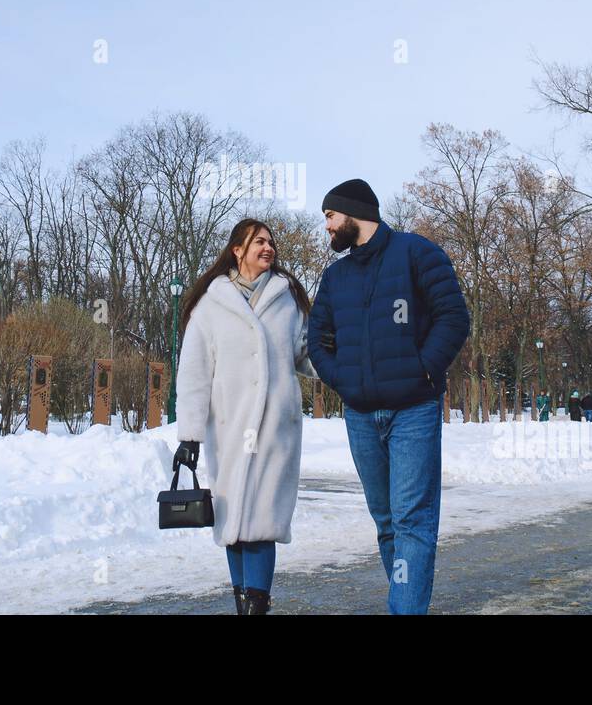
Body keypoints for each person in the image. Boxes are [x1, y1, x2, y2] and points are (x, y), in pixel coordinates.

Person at [307, 179, 472, 615]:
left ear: (353, 212)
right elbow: (317, 340)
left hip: (414, 410)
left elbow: (453, 317)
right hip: (360, 414)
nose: (326, 227)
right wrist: (341, 379)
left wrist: (422, 369)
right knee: (385, 523)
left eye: (329, 216)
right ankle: (406, 598)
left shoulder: (417, 253)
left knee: (412, 521)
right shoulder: (335, 276)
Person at [173, 219, 316, 614]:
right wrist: (189, 436)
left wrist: (347, 360)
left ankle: (258, 605)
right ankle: (244, 604)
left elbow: (307, 355)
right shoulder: (211, 304)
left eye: (271, 242)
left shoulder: (288, 299)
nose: (268, 248)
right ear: (238, 249)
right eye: (259, 242)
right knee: (233, 523)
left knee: (262, 519)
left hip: (276, 428)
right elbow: (194, 374)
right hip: (230, 427)